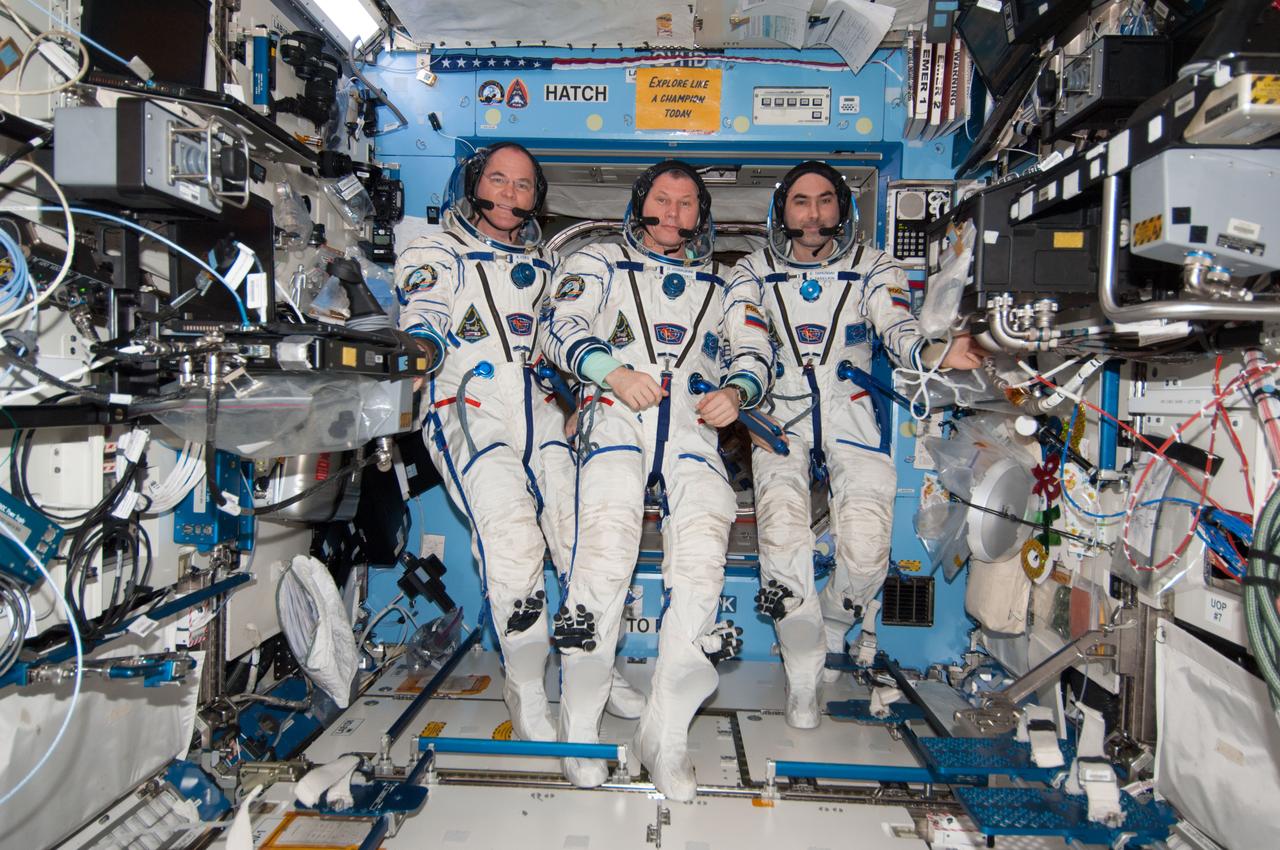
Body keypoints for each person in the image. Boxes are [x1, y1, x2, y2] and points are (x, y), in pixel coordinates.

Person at [395, 142, 642, 741]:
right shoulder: (436, 251)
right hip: (467, 407)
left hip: (541, 412)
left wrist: (581, 400)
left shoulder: (547, 266)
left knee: (578, 535)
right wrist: (421, 347)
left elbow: (561, 339)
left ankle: (593, 670)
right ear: (473, 185)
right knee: (511, 539)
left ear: (537, 198)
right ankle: (527, 685)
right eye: (500, 181)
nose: (511, 194)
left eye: (524, 185)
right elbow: (423, 311)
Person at [541, 160, 771, 799]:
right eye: (663, 200)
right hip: (616, 414)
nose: (674, 213)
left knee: (702, 565)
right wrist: (610, 371)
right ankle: (579, 729)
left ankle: (665, 736)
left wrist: (739, 388)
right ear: (640, 204)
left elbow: (757, 349)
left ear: (702, 216)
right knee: (604, 558)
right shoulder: (597, 264)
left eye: (688, 203)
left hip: (692, 429)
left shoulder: (725, 286)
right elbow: (560, 325)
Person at [730, 161, 983, 729]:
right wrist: (745, 386)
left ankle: (837, 627)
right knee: (782, 538)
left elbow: (897, 327)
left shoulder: (875, 266)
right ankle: (801, 675)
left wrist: (933, 355)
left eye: (825, 201)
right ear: (782, 210)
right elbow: (747, 343)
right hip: (780, 414)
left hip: (851, 410)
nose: (813, 213)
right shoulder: (750, 272)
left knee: (869, 551)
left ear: (842, 209)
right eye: (801, 201)